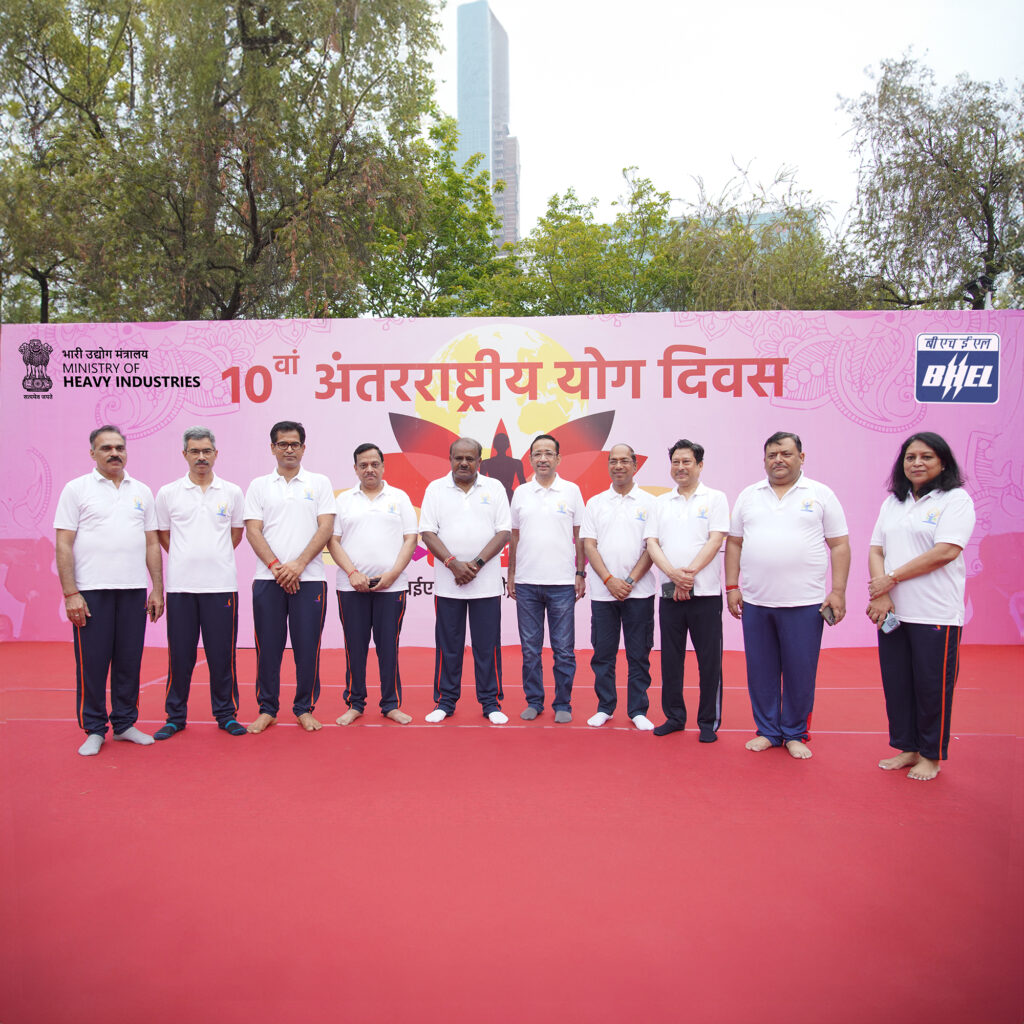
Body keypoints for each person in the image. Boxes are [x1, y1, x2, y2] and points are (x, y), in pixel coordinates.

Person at [725, 431, 850, 759]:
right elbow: (734, 542)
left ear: (801, 457)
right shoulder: (749, 495)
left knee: (800, 671)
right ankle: (768, 731)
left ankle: (795, 732)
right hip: (756, 601)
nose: (778, 460)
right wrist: (732, 586)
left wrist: (838, 591)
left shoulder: (821, 494)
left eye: (786, 453)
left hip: (805, 603)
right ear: (764, 460)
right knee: (761, 670)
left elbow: (839, 544)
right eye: (772, 455)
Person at [865, 432, 976, 781]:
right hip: (893, 612)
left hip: (935, 612)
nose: (917, 463)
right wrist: (881, 593)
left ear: (942, 462)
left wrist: (891, 578)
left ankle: (931, 754)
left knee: (932, 687)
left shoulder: (955, 500)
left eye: (926, 457)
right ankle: (907, 747)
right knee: (898, 684)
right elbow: (876, 549)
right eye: (910, 457)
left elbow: (946, 551)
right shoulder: (893, 503)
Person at [54, 426, 164, 756]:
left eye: (119, 447)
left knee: (129, 661)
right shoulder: (76, 489)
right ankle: (94, 729)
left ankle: (125, 724)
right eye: (106, 448)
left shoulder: (141, 491)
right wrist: (71, 593)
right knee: (93, 663)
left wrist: (157, 589)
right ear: (93, 453)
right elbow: (64, 543)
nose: (114, 453)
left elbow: (152, 543)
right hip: (91, 592)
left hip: (132, 590)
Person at [153, 427, 246, 739]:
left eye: (207, 451)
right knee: (180, 656)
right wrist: (186, 556)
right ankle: (175, 716)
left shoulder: (232, 492)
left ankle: (226, 714)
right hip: (181, 587)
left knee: (222, 655)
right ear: (185, 454)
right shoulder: (168, 493)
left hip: (221, 586)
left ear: (216, 454)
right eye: (195, 451)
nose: (201, 457)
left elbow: (236, 534)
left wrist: (212, 556)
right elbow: (163, 534)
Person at [244, 421, 335, 734]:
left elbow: (326, 527)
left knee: (307, 648)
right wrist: (276, 566)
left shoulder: (319, 483)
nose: (289, 449)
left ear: (303, 448)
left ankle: (303, 708)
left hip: (309, 579)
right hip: (268, 579)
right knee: (268, 648)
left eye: (295, 444)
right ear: (272, 448)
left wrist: (298, 565)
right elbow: (253, 530)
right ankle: (267, 709)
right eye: (282, 444)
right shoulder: (259, 486)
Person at [419, 438, 511, 724]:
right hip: (449, 585)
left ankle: (490, 702)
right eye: (458, 458)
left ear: (479, 462)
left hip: (486, 585)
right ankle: (445, 702)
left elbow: (504, 532)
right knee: (449, 646)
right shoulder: (435, 489)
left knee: (488, 646)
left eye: (470, 459)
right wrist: (453, 564)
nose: (463, 463)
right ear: (450, 459)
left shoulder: (494, 488)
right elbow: (427, 532)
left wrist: (476, 565)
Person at [328, 443, 418, 727]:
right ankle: (355, 703)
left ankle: (391, 704)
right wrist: (352, 572)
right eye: (363, 465)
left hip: (391, 587)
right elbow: (333, 541)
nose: (369, 469)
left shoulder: (399, 497)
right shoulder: (343, 500)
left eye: (374, 464)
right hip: (351, 587)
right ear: (355, 469)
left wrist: (393, 574)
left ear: (383, 466)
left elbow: (410, 538)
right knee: (354, 647)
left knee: (388, 647)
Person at [644, 439, 729, 741]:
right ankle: (674, 717)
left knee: (709, 660)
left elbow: (716, 540)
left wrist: (688, 574)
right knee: (670, 658)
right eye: (675, 462)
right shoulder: (660, 503)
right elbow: (652, 542)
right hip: (670, 594)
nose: (680, 467)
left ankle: (708, 722)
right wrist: (673, 575)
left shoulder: (715, 498)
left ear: (699, 465)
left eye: (687, 462)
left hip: (705, 594)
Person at [507, 434, 586, 723]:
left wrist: (580, 572)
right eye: (537, 454)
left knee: (563, 650)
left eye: (548, 453)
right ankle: (534, 701)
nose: (543, 459)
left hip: (562, 583)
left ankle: (563, 703)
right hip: (527, 582)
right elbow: (514, 536)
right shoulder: (521, 493)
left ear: (558, 458)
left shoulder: (572, 491)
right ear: (530, 459)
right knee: (530, 650)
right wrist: (511, 574)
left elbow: (580, 536)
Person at [580, 443, 657, 730]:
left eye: (625, 461)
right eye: (613, 461)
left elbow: (652, 547)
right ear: (608, 465)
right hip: (604, 593)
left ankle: (638, 710)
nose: (619, 466)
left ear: (635, 465)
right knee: (603, 653)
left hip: (640, 592)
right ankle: (605, 707)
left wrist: (629, 581)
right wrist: (609, 580)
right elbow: (589, 545)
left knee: (639, 653)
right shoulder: (596, 503)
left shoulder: (650, 502)